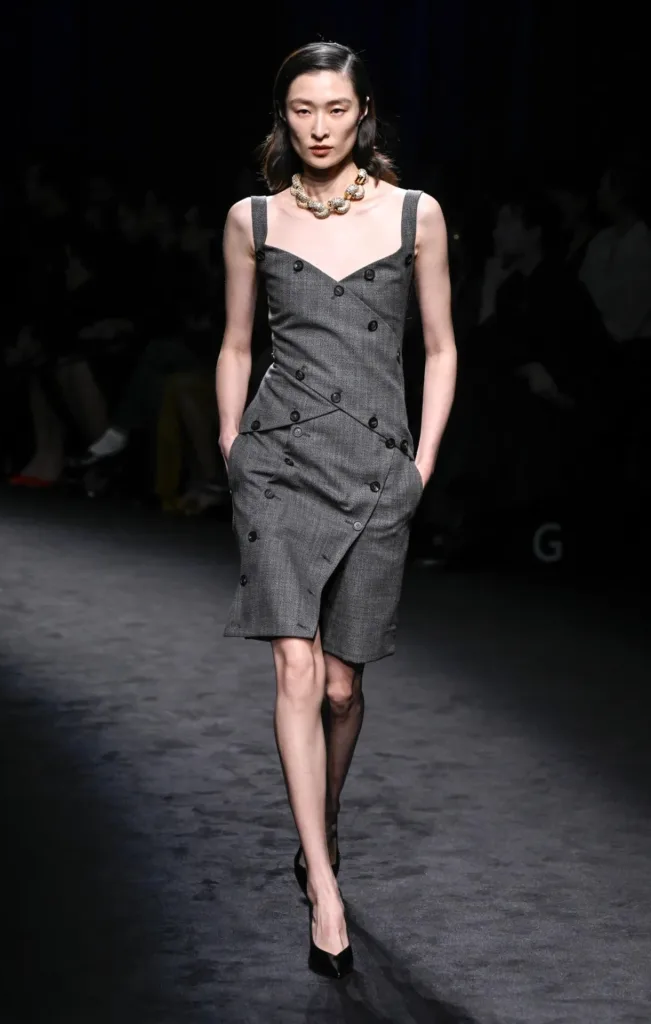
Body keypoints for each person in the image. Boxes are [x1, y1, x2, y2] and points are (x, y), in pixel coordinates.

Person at [215, 42, 456, 977]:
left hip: (377, 466)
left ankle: (325, 818)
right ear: (283, 117)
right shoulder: (253, 219)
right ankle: (322, 884)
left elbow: (439, 347)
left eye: (336, 109)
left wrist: (420, 462)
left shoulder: (413, 214)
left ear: (364, 114)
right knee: (294, 667)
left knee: (343, 687)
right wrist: (232, 443)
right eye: (302, 110)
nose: (319, 128)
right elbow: (236, 343)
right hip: (278, 465)